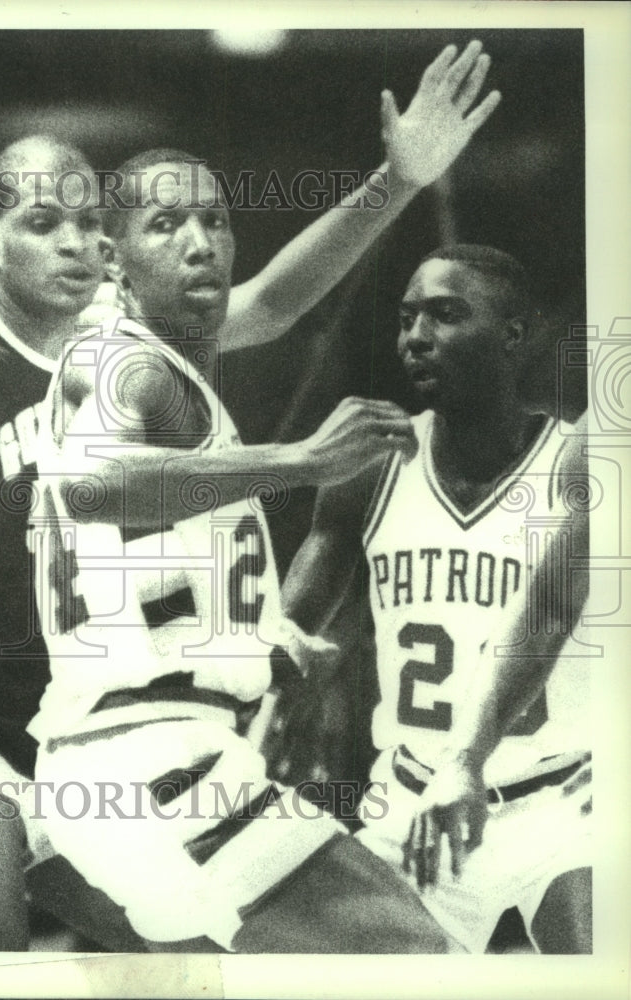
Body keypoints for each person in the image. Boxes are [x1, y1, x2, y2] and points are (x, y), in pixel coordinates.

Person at [0, 38, 498, 951]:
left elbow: (272, 301)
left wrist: (398, 179)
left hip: (87, 733)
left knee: (216, 962)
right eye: (42, 222)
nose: (71, 242)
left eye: (85, 225)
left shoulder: (119, 337)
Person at [28, 41, 500, 951]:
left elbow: (280, 301)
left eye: (214, 219)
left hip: (130, 759)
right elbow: (91, 488)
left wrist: (399, 181)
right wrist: (303, 460)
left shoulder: (171, 357)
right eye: (166, 225)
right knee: (416, 957)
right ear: (114, 260)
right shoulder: (120, 364)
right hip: (149, 763)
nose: (199, 241)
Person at [282, 244, 591, 953]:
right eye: (406, 318)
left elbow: (553, 613)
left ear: (513, 335)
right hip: (411, 805)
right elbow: (293, 627)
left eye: (446, 315)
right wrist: (281, 694)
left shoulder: (579, 462)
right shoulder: (371, 465)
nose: (416, 336)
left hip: (559, 800)